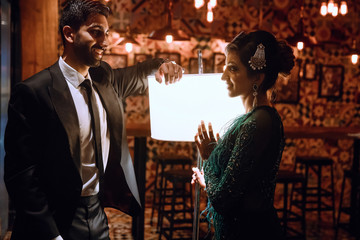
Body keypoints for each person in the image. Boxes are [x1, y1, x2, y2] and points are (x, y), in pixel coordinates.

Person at [4, 0, 183, 239]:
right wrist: (51, 234)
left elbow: (141, 73)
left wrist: (164, 65)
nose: (105, 42)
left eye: (107, 33)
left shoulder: (104, 77)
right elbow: (22, 175)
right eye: (96, 32)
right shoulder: (33, 91)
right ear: (69, 34)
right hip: (55, 219)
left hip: (97, 215)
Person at [191, 30, 295, 240]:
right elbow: (235, 186)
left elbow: (223, 200)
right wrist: (208, 180)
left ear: (257, 76)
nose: (223, 77)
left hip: (251, 232)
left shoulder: (260, 121)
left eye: (233, 69)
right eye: (225, 68)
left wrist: (210, 158)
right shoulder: (253, 118)